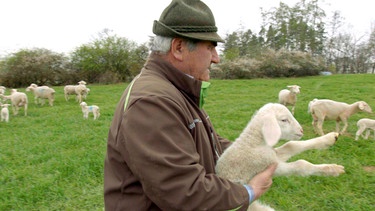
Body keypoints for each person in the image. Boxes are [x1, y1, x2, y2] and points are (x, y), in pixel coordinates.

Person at [104, 0, 277, 210]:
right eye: (210, 47)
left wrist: (250, 153)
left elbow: (208, 144)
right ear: (178, 48)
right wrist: (250, 191)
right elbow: (185, 193)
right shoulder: (152, 103)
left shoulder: (176, 90)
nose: (216, 58)